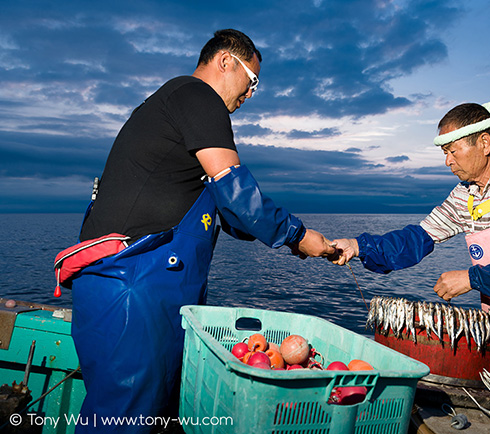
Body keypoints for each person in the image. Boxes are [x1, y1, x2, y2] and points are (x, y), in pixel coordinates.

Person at [64, 29, 335, 432]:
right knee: (123, 419)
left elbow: (230, 212)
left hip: (145, 291)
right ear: (226, 61)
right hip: (132, 288)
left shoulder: (175, 113)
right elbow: (238, 193)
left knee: (151, 414)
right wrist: (299, 235)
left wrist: (297, 243)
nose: (248, 95)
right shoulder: (196, 96)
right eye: (252, 82)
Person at [330, 101, 490, 399]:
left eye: (453, 151)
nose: (447, 162)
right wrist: (359, 247)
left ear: (484, 142)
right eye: (445, 153)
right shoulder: (466, 196)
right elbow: (418, 238)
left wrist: (471, 279)